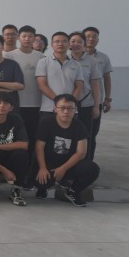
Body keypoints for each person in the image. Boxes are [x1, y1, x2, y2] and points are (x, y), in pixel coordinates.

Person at [35, 94, 100, 207]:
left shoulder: (79, 125)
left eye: (70, 108)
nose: (66, 111)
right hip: (49, 164)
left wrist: (63, 169)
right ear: (55, 109)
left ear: (75, 110)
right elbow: (39, 147)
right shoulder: (46, 123)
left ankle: (73, 191)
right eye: (62, 108)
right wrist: (42, 168)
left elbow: (81, 152)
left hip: (69, 165)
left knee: (92, 169)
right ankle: (42, 189)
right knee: (38, 180)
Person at [36, 32, 83, 118]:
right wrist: (58, 101)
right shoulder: (43, 62)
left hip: (70, 110)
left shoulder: (76, 64)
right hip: (49, 108)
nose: (60, 44)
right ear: (52, 44)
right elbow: (42, 85)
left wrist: (69, 102)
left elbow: (79, 86)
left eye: (64, 41)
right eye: (57, 41)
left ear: (69, 44)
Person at [83, 26, 113, 160]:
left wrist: (107, 98)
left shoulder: (103, 58)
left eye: (94, 37)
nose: (91, 39)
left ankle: (88, 162)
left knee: (92, 133)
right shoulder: (74, 56)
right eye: (88, 36)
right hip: (78, 102)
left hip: (96, 101)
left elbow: (107, 78)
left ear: (98, 40)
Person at [68, 31, 102, 141]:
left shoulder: (92, 61)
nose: (76, 44)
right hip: (67, 104)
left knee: (86, 136)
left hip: (86, 104)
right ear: (68, 43)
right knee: (68, 136)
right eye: (73, 41)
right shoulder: (65, 59)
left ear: (84, 44)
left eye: (79, 41)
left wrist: (96, 106)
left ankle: (86, 153)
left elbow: (95, 85)